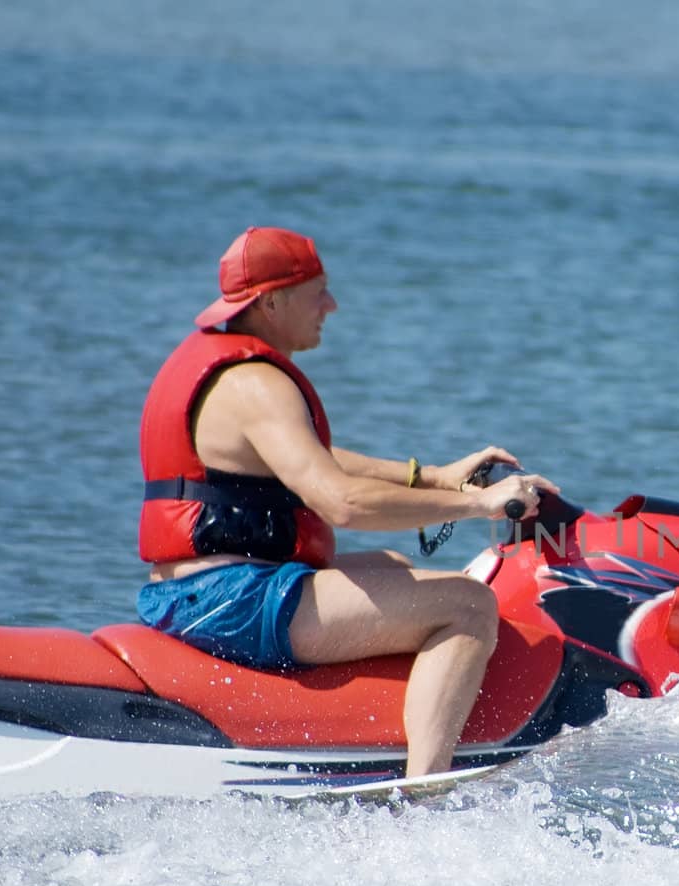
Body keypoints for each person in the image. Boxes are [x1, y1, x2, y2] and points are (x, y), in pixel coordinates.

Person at [136, 226, 556, 776]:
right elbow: (344, 503)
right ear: (273, 301)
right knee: (468, 604)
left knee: (394, 568)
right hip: (229, 599)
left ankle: (359, 741)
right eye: (318, 292)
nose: (331, 306)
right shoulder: (256, 382)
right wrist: (484, 505)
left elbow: (317, 458)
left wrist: (435, 478)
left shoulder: (234, 375)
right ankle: (427, 795)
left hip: (197, 594)